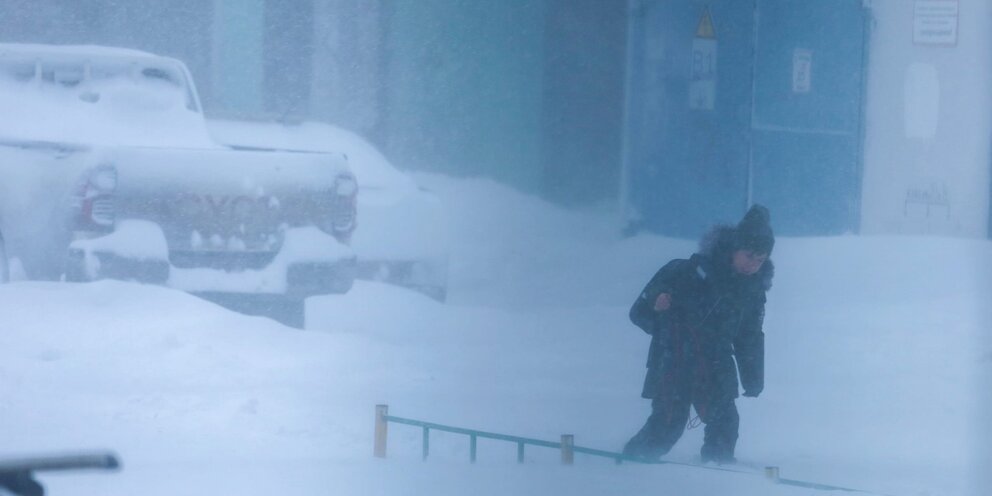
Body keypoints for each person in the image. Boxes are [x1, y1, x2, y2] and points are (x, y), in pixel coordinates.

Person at [622, 204, 775, 464]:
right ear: (733, 249)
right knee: (667, 425)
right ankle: (629, 466)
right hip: (675, 360)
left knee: (725, 423)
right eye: (749, 255)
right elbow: (639, 313)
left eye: (760, 260)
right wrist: (657, 305)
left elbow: (749, 337)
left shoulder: (753, 293)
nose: (753, 265)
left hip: (717, 365)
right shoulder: (687, 271)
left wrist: (753, 379)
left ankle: (716, 475)